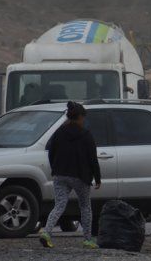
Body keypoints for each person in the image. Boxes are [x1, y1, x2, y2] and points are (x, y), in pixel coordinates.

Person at [39, 101, 101, 249]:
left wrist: (55, 168)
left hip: (60, 175)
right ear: (79, 117)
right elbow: (92, 158)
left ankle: (47, 232)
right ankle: (87, 239)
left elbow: (51, 152)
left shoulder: (59, 132)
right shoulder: (86, 134)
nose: (84, 120)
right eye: (83, 117)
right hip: (80, 176)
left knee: (59, 205)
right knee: (85, 207)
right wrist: (97, 178)